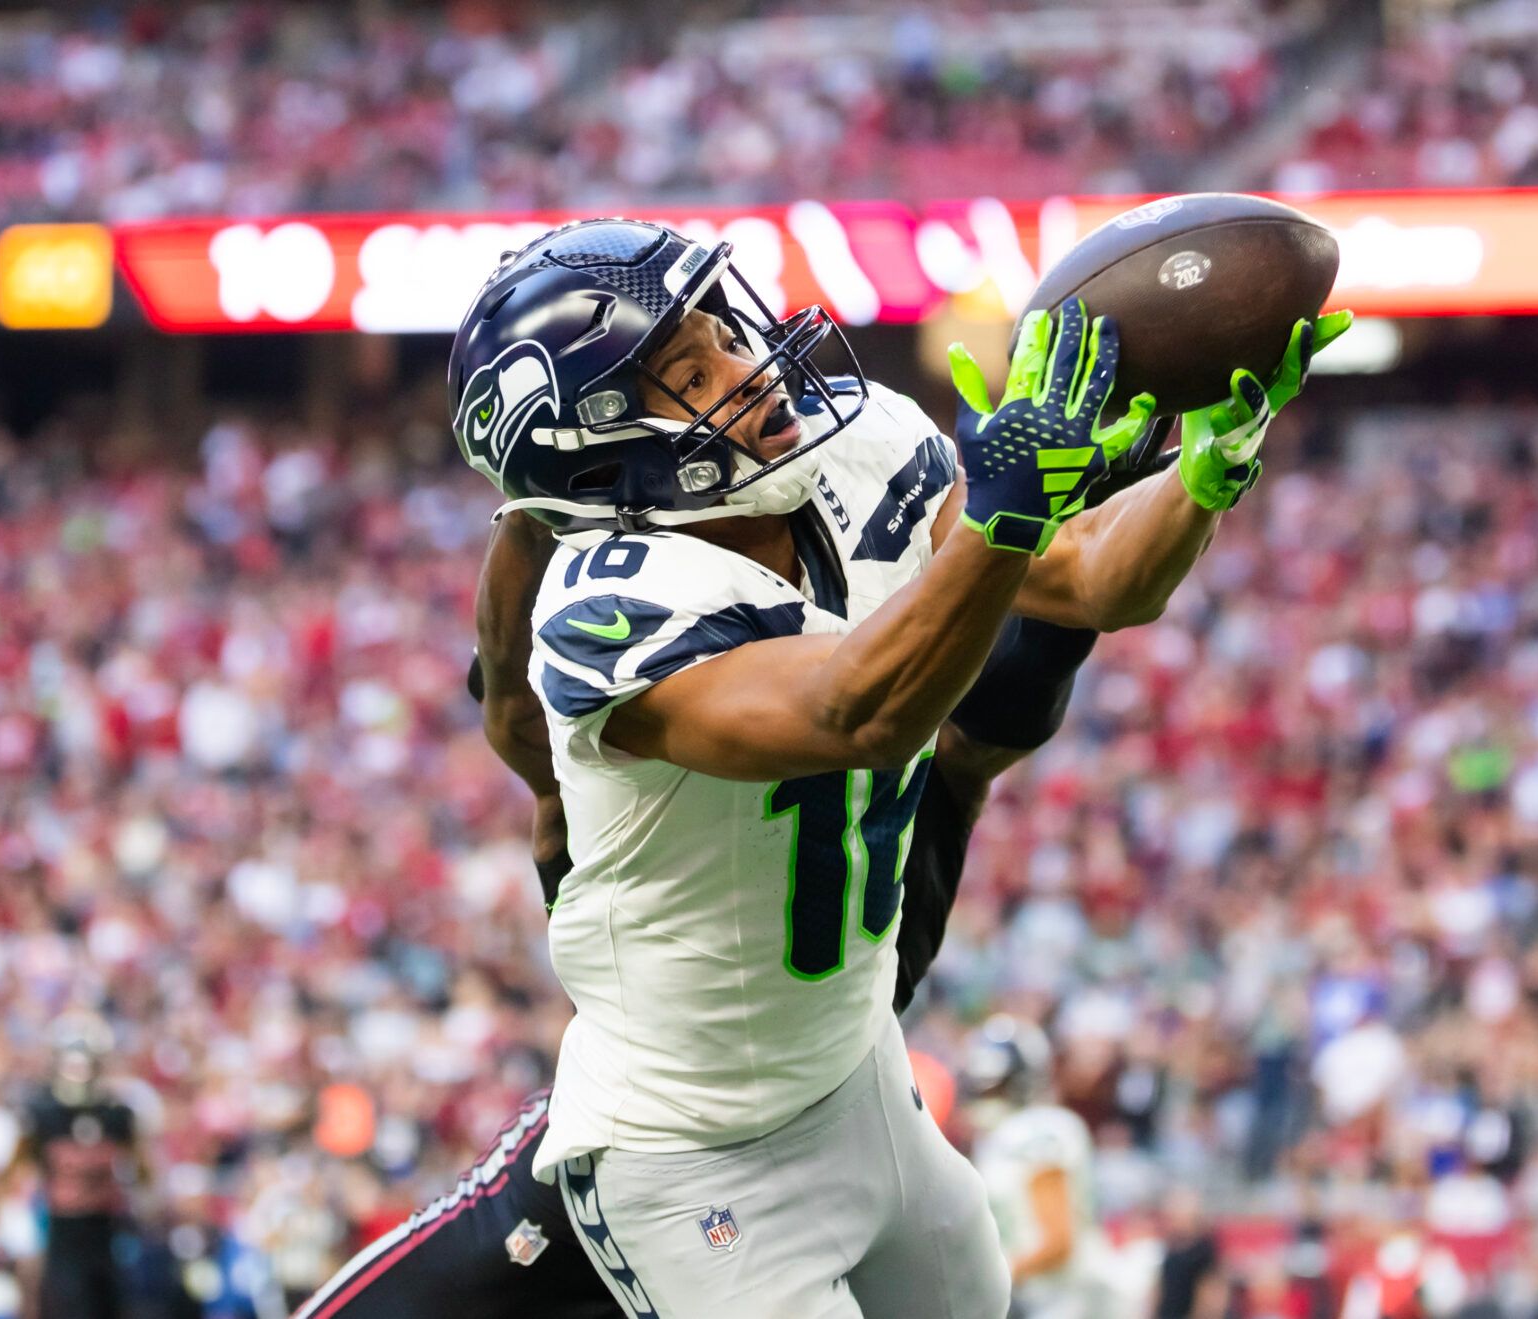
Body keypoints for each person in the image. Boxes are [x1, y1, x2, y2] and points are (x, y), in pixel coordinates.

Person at [306, 217, 1342, 1318]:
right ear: (594, 443)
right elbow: (861, 711)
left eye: (726, 333)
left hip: (857, 1079)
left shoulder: (856, 442)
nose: (747, 372)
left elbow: (1091, 579)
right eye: (689, 373)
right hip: (694, 1148)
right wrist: (1001, 516)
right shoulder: (604, 606)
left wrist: (1210, 463)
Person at [965, 1016, 1122, 1319]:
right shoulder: (998, 1140)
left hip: (1068, 1300)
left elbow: (1058, 1241)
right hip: (1033, 1299)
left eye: (996, 1088)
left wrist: (989, 1276)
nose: (986, 1098)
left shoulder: (1037, 1131)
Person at [18, 1014, 142, 1319]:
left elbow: (141, 1170)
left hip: (106, 1230)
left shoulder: (116, 1114)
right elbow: (23, 1172)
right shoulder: (41, 1113)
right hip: (60, 1231)